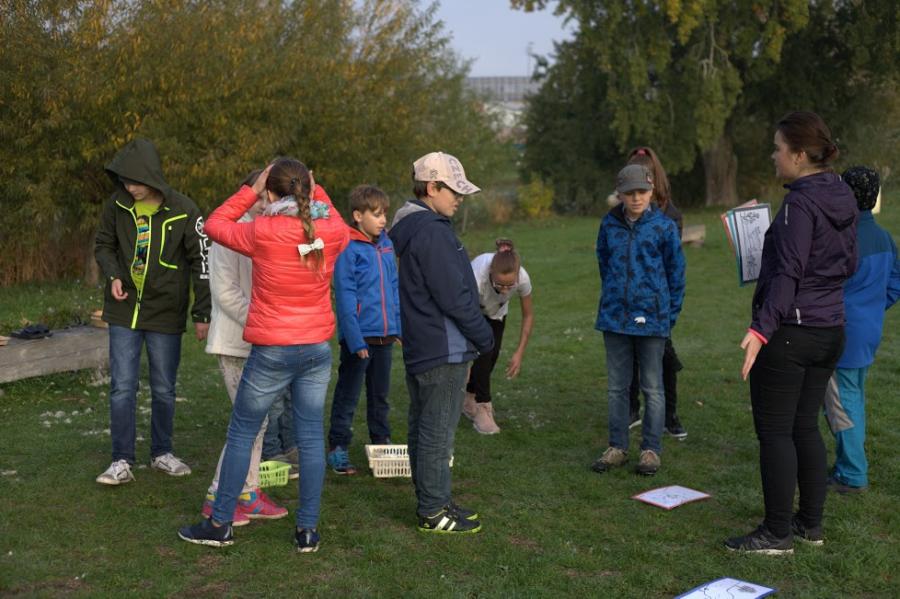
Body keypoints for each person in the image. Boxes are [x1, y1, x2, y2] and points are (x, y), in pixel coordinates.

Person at [178, 158, 349, 551]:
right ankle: (307, 531)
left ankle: (220, 524)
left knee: (242, 432)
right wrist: (316, 188)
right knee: (310, 437)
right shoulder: (331, 229)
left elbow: (214, 224)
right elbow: (333, 216)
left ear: (269, 192)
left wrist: (250, 191)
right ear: (309, 188)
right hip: (315, 349)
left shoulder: (262, 230)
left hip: (272, 349)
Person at [726, 112, 857, 555]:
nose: (773, 155)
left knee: (776, 432)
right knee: (804, 426)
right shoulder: (841, 193)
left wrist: (760, 330)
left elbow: (788, 274)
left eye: (778, 148)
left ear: (799, 155)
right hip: (830, 329)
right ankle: (810, 525)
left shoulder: (799, 206)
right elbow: (847, 263)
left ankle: (777, 532)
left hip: (792, 333)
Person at [94, 138, 210, 485]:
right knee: (122, 387)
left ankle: (162, 453)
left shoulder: (185, 209)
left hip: (166, 312)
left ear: (151, 175)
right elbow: (104, 245)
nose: (130, 187)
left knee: (163, 388)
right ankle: (121, 460)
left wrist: (202, 313)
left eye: (136, 181)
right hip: (123, 311)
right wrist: (114, 275)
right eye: (125, 181)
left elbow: (202, 263)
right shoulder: (116, 205)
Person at [389, 151, 493, 534]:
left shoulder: (413, 227)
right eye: (454, 190)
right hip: (443, 347)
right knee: (437, 432)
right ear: (431, 187)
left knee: (424, 427)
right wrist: (484, 336)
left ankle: (434, 499)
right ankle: (433, 510)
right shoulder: (431, 231)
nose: (459, 198)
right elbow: (454, 296)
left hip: (424, 344)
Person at [200, 170, 288, 525]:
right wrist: (264, 320)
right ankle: (217, 495)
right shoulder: (230, 232)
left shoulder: (266, 229)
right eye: (265, 195)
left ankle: (248, 492)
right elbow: (225, 294)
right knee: (246, 423)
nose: (270, 203)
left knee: (259, 421)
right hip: (235, 342)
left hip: (260, 340)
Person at [592, 163, 685, 476]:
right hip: (614, 319)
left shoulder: (664, 227)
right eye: (629, 192)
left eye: (642, 192)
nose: (636, 198)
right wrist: (615, 295)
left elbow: (676, 273)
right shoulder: (609, 224)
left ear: (651, 191)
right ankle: (617, 447)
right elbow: (604, 262)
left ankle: (650, 450)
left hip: (654, 321)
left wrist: (668, 314)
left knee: (653, 387)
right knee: (617, 387)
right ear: (619, 194)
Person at [823, 166, 900, 494]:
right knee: (854, 396)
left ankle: (852, 473)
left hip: (841, 332)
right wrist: (871, 308)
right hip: (868, 330)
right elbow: (895, 283)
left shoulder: (843, 239)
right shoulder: (884, 237)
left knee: (841, 403)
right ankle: (849, 464)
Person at [327, 185, 400, 475]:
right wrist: (355, 340)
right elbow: (345, 296)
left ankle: (382, 445)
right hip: (358, 338)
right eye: (377, 214)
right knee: (348, 394)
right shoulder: (348, 248)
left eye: (384, 214)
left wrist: (397, 326)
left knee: (380, 396)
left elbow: (393, 287)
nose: (383, 220)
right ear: (358, 216)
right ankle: (338, 446)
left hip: (385, 336)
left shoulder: (387, 245)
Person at [624, 147, 687, 440]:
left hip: (657, 301)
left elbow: (673, 265)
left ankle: (669, 413)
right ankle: (631, 409)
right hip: (629, 299)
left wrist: (668, 306)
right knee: (630, 356)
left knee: (663, 356)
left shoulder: (670, 216)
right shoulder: (622, 216)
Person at [462, 239, 534, 434]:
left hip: (496, 312)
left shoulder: (523, 278)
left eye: (510, 286)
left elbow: (528, 315)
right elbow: (461, 311)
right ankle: (483, 406)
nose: (504, 290)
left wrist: (519, 353)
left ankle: (468, 399)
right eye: (499, 284)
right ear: (491, 273)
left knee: (492, 356)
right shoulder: (477, 276)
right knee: (484, 352)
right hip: (470, 309)